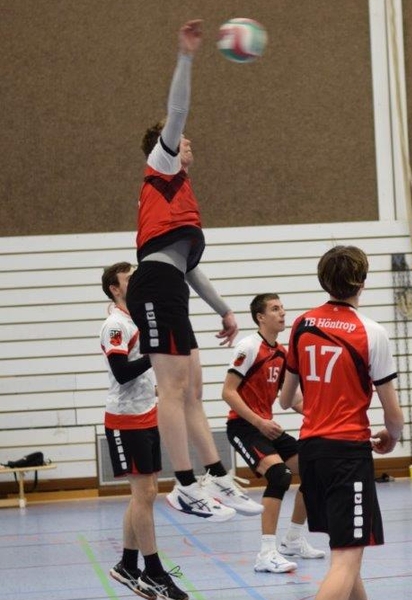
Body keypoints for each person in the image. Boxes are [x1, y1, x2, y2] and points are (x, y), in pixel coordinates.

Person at [125, 20, 261, 520]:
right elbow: (178, 110)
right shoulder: (161, 165)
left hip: (170, 285)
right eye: (182, 141)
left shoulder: (180, 195)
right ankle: (183, 484)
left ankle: (217, 476)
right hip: (154, 286)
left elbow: (188, 268)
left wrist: (225, 310)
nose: (188, 145)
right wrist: (186, 56)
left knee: (194, 390)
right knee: (172, 389)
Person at [279, 245, 405, 600]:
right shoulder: (371, 332)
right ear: (362, 281)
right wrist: (392, 436)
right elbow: (393, 413)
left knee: (346, 555)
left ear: (324, 280)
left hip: (311, 451)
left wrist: (320, 406)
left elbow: (286, 398)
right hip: (347, 455)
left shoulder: (303, 324)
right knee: (346, 562)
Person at [100, 262, 188, 600]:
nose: (136, 282)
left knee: (147, 494)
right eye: (129, 279)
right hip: (125, 419)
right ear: (115, 289)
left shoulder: (136, 319)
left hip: (146, 414)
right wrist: (156, 354)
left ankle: (127, 564)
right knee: (143, 495)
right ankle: (153, 572)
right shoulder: (115, 325)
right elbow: (122, 372)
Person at [221, 293, 326, 573]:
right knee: (280, 475)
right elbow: (228, 392)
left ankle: (293, 539)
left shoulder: (281, 353)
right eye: (275, 309)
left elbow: (291, 399)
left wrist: (321, 416)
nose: (282, 313)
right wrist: (259, 422)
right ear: (260, 317)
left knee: (314, 470)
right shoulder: (248, 347)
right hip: (245, 427)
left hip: (267, 427)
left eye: (282, 308)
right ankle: (266, 554)